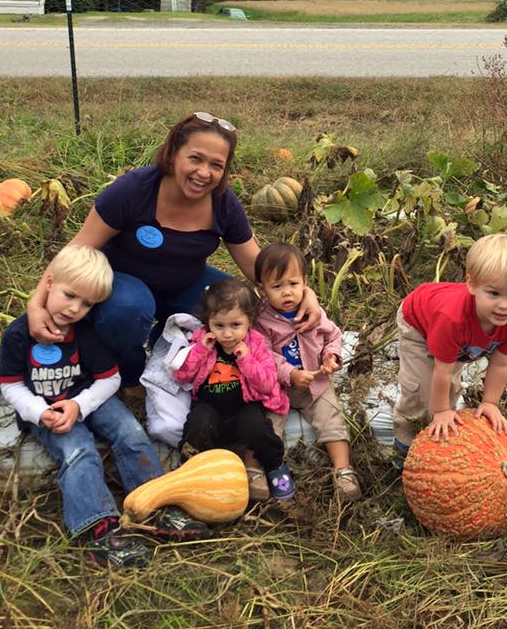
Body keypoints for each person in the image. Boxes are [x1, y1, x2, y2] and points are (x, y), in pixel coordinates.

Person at [26, 112, 322, 386]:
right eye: (195, 158)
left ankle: (166, 349)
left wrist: (304, 294)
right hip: (124, 284)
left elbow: (259, 267)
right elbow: (76, 249)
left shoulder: (223, 204)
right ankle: (127, 375)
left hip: (186, 282)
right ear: (172, 154)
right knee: (127, 312)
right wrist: (36, 305)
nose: (204, 173)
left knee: (244, 308)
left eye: (216, 165)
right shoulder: (133, 190)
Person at [0, 245, 208, 568]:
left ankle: (156, 505)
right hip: (47, 412)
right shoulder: (18, 334)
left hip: (89, 399)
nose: (74, 309)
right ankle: (99, 529)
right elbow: (10, 385)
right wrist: (40, 412)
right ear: (49, 283)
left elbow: (109, 380)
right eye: (70, 296)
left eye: (86, 304)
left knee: (131, 433)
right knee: (79, 450)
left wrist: (80, 406)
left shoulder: (86, 332)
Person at [391, 232, 507, 469]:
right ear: (471, 284)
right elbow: (442, 370)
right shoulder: (452, 318)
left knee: (450, 388)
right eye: (494, 293)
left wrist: (490, 402)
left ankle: (443, 448)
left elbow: (501, 364)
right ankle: (404, 447)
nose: (504, 305)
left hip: (456, 340)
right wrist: (440, 411)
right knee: (420, 388)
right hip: (418, 325)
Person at [253, 243, 363, 502]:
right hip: (278, 387)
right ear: (261, 289)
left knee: (331, 418)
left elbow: (333, 335)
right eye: (276, 287)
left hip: (316, 382)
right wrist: (290, 373)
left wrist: (331, 357)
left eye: (292, 284)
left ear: (304, 282)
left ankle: (343, 470)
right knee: (268, 427)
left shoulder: (314, 312)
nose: (287, 293)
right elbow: (262, 353)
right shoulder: (261, 319)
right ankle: (260, 470)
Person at [173, 279, 296, 501]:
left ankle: (275, 465)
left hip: (244, 408)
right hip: (210, 407)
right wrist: (200, 350)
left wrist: (246, 359)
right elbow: (182, 375)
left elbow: (268, 383)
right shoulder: (201, 341)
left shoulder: (256, 343)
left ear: (249, 321)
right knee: (197, 424)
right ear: (208, 322)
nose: (227, 334)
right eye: (219, 326)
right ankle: (192, 470)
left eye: (235, 325)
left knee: (258, 427)